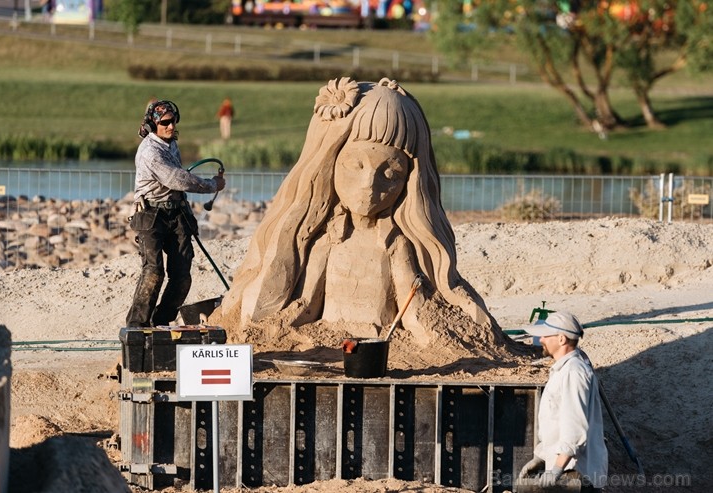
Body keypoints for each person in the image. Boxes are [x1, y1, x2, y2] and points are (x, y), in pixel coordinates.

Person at [215, 77, 499, 345]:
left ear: (409, 181)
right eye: (355, 166)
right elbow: (306, 305)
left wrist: (439, 333)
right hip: (332, 341)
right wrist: (273, 330)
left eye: (391, 173)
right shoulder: (327, 242)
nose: (369, 186)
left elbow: (413, 312)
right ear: (329, 165)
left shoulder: (396, 245)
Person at [126, 99, 226, 327]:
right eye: (166, 123)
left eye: (174, 121)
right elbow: (177, 178)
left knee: (182, 277)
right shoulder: (149, 152)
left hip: (177, 213)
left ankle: (161, 322)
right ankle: (137, 328)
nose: (171, 126)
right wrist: (212, 185)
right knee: (153, 272)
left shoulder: (170, 143)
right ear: (153, 126)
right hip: (151, 215)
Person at [518, 311, 608, 491]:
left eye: (545, 335)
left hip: (576, 474)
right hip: (569, 472)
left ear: (561, 339)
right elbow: (557, 424)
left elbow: (575, 427)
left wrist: (557, 468)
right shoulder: (563, 371)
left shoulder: (573, 373)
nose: (541, 339)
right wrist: (542, 457)